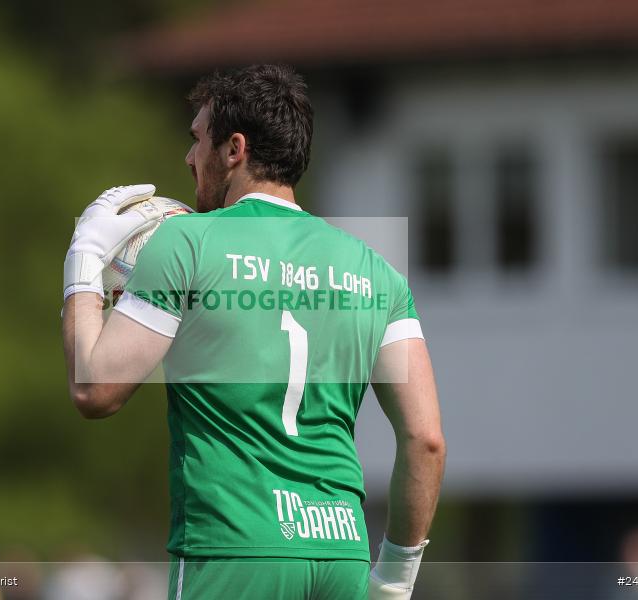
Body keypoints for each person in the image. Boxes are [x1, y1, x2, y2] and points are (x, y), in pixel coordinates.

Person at [61, 64, 445, 600]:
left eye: (198, 140)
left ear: (234, 148)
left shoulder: (187, 243)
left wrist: (83, 261)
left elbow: (94, 389)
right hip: (340, 554)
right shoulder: (377, 271)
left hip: (235, 550)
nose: (189, 157)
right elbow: (425, 440)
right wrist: (395, 580)